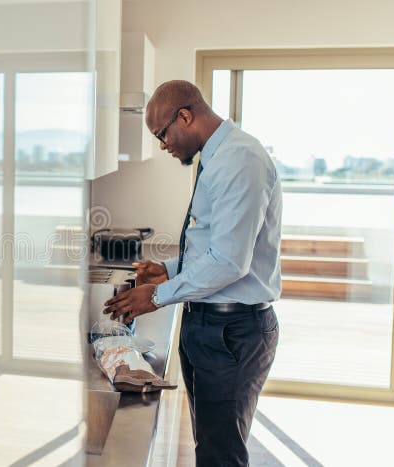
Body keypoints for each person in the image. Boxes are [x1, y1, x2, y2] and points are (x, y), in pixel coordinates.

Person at [103, 80, 282, 466]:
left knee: (220, 455)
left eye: (162, 134)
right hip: (214, 327)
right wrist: (167, 270)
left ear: (185, 116)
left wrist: (154, 296)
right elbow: (214, 245)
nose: (163, 145)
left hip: (230, 332)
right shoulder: (218, 157)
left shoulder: (240, 159)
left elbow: (231, 262)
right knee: (212, 448)